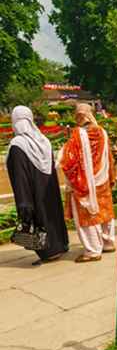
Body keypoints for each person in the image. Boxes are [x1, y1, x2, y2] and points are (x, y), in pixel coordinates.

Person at [6, 106, 69, 265]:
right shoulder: (44, 140)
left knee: (39, 220)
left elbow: (20, 177)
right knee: (52, 216)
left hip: (33, 193)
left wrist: (23, 202)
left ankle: (48, 253)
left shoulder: (18, 144)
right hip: (49, 191)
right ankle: (59, 246)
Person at [60, 103, 116, 263]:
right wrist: (110, 175)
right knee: (104, 212)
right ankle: (108, 242)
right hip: (103, 178)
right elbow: (109, 156)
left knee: (87, 215)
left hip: (83, 182)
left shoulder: (78, 134)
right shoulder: (102, 132)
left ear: (78, 116)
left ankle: (92, 251)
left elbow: (69, 160)